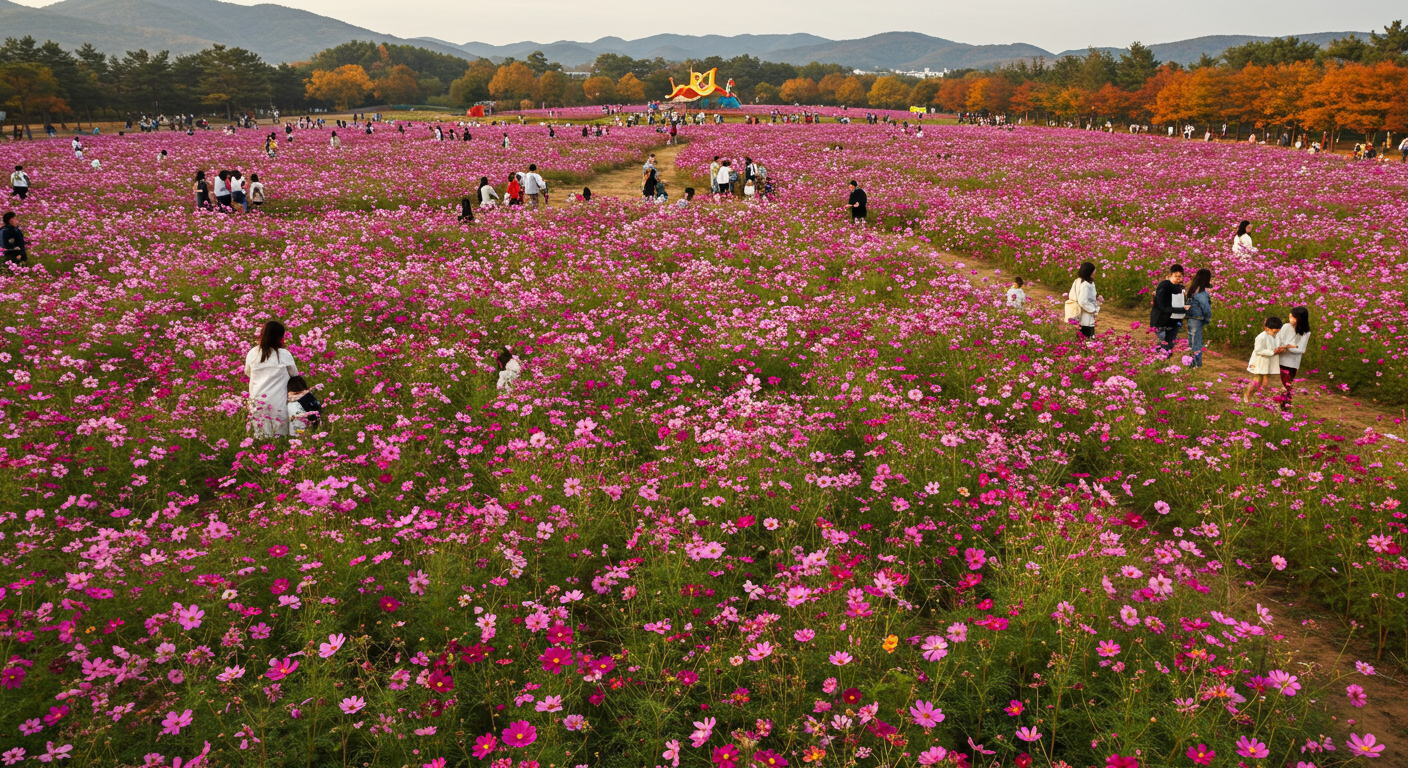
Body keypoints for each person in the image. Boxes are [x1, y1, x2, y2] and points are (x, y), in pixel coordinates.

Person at [244, 321, 300, 437]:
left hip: (257, 400)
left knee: (261, 433)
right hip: (279, 401)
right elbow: (294, 374)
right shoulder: (284, 354)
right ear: (280, 336)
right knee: (280, 433)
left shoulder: (253, 353)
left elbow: (248, 373)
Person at [1274, 306, 1311, 411]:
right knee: (1284, 384)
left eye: (1293, 318)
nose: (1291, 320)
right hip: (1281, 359)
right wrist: (1283, 346)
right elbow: (1278, 339)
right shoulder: (1286, 327)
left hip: (1292, 363)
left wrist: (1287, 347)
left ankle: (1284, 406)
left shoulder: (1306, 333)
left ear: (1300, 319)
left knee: (1287, 384)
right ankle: (1283, 406)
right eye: (1290, 317)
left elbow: (1301, 349)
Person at [1243, 317, 1283, 404]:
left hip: (1268, 361)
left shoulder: (1275, 336)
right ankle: (1247, 397)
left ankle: (1259, 397)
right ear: (1266, 328)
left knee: (1266, 380)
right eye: (1273, 332)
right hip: (1259, 361)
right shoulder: (1261, 337)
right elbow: (1258, 350)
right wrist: (1272, 352)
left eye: (1277, 332)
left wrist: (1280, 349)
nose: (1275, 333)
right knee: (1257, 380)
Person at [1149, 264, 1186, 356]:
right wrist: (1181, 310)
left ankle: (1164, 366)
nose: (1178, 278)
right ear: (1170, 275)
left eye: (1180, 276)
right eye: (1176, 276)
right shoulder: (1165, 285)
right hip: (1161, 321)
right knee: (1163, 346)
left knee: (1170, 347)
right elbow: (1162, 305)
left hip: (1173, 322)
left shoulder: (1180, 288)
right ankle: (1159, 365)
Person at [1184, 268, 1213, 368]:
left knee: (1192, 341)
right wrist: (1208, 318)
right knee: (1196, 342)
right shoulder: (1201, 293)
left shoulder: (1193, 290)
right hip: (1197, 318)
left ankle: (1191, 362)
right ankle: (1197, 363)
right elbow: (1206, 308)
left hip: (1190, 318)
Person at [1069, 262, 1099, 339]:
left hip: (1080, 315)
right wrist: (1093, 309)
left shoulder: (1078, 281)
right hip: (1085, 317)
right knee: (1087, 337)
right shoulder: (1086, 285)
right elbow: (1083, 301)